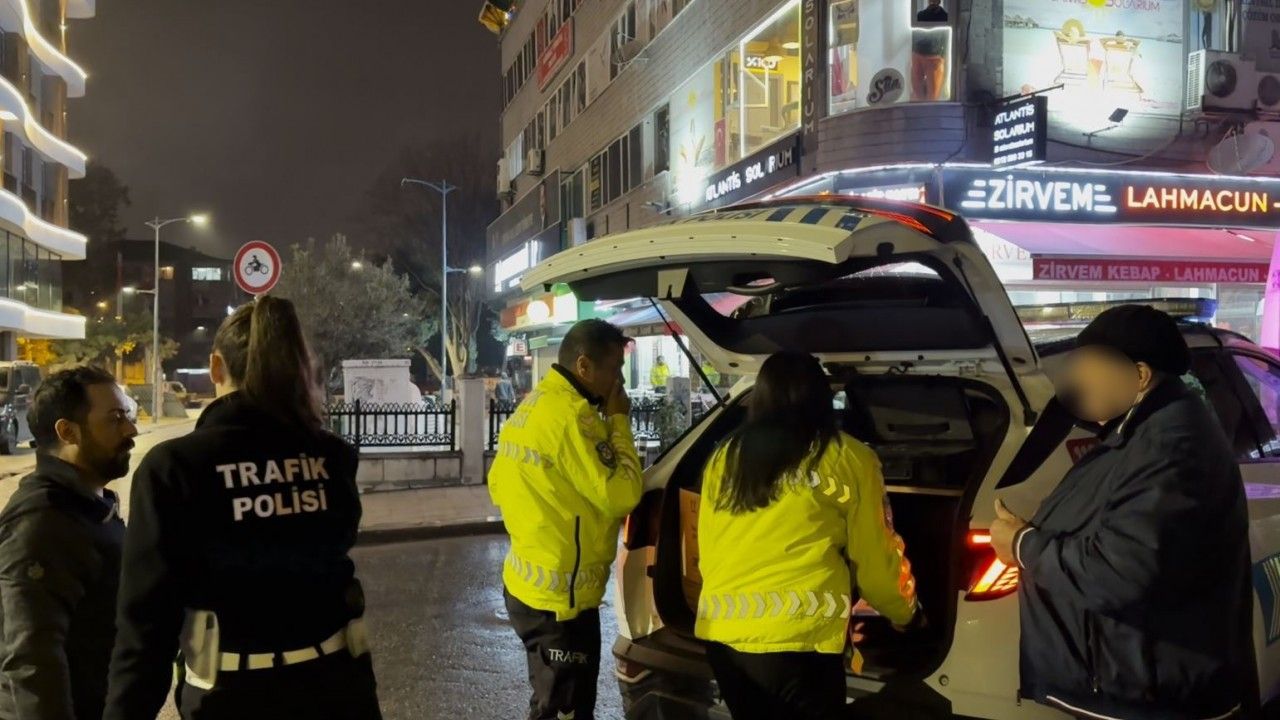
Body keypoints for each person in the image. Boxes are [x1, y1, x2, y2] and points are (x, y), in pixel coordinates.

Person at [105, 297, 381, 720]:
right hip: (340, 688)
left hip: (231, 698)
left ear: (217, 368)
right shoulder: (334, 456)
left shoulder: (174, 468)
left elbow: (145, 627)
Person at [991, 305, 1256, 720]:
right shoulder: (1142, 432)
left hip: (1153, 696)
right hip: (1139, 686)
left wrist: (1023, 545)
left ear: (1140, 375)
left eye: (1090, 366)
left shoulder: (1168, 446)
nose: (1077, 380)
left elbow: (1118, 573)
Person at [695, 351, 920, 720]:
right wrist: (906, 614)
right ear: (822, 398)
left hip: (726, 641)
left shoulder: (724, 457)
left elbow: (709, 547)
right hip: (800, 645)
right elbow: (877, 566)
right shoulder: (850, 459)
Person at [489, 319, 644, 720]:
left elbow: (497, 486)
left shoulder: (533, 405)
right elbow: (622, 495)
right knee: (564, 712)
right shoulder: (574, 418)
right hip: (562, 604)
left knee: (550, 704)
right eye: (614, 369)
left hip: (530, 588)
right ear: (584, 367)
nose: (619, 380)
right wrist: (620, 423)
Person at [0, 367, 137, 720]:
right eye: (115, 419)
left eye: (128, 415)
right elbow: (32, 659)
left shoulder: (89, 506)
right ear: (67, 432)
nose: (131, 430)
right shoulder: (42, 522)